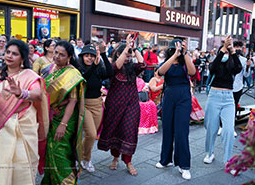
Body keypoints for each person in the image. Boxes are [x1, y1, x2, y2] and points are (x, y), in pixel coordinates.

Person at [0, 39, 49, 184]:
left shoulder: (29, 75)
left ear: (22, 58)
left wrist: (22, 93)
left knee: (23, 165)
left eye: (14, 54)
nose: (9, 56)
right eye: (8, 52)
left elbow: (38, 94)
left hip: (24, 125)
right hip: (1, 126)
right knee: (0, 164)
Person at [97, 34, 146, 176]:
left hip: (131, 105)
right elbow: (116, 67)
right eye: (126, 53)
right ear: (118, 54)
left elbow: (143, 64)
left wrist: (134, 48)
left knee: (129, 131)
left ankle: (128, 161)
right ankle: (115, 157)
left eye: (130, 54)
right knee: (115, 131)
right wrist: (125, 49)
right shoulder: (113, 66)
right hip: (115, 105)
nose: (129, 56)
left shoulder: (133, 68)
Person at [41, 41, 85, 185]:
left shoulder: (72, 73)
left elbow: (72, 101)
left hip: (65, 118)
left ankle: (67, 182)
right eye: (56, 53)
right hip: (49, 116)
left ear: (69, 57)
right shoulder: (48, 69)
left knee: (60, 152)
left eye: (62, 55)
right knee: (49, 151)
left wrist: (63, 124)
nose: (57, 57)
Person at [156, 39, 196, 180]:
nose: (176, 51)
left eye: (178, 49)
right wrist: (174, 56)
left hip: (183, 96)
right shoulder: (168, 60)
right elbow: (160, 72)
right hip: (169, 95)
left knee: (181, 131)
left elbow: (192, 72)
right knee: (167, 129)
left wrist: (184, 53)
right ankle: (165, 159)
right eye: (174, 49)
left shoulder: (186, 60)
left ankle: (184, 165)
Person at [203, 36, 242, 175]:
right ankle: (210, 153)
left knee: (229, 130)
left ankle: (228, 160)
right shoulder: (217, 63)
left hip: (228, 99)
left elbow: (239, 67)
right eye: (224, 51)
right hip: (214, 96)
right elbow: (212, 67)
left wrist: (232, 50)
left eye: (227, 52)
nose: (225, 54)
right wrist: (223, 49)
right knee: (211, 128)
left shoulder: (232, 65)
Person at [78, 41, 113, 173]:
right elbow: (83, 79)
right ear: (82, 56)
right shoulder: (79, 68)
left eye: (92, 56)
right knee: (91, 134)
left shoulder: (98, 68)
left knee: (91, 135)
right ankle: (85, 158)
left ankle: (81, 157)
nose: (89, 58)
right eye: (87, 55)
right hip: (84, 104)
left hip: (97, 104)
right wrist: (94, 66)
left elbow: (110, 74)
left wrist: (103, 54)